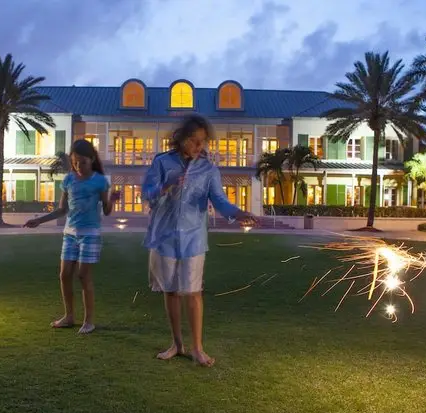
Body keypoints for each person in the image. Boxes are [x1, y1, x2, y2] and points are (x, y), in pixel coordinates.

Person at [142, 114, 257, 367]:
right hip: (164, 236)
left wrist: (237, 213)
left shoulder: (208, 169)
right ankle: (177, 344)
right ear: (181, 139)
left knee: (193, 292)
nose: (198, 147)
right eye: (194, 141)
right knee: (170, 291)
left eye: (202, 142)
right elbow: (146, 195)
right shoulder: (162, 162)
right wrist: (166, 186)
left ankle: (197, 348)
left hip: (193, 237)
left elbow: (218, 199)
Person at [24, 139, 121, 334]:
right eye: (75, 162)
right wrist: (39, 220)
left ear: (91, 160)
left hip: (90, 234)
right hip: (70, 234)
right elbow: (62, 210)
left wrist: (111, 200)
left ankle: (89, 321)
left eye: (83, 162)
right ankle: (69, 316)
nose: (79, 166)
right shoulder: (69, 180)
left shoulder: (99, 181)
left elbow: (107, 211)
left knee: (83, 276)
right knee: (64, 275)